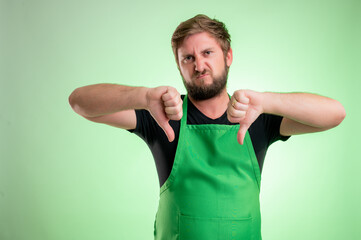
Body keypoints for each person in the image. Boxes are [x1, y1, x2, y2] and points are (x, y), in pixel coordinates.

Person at [68, 14, 346, 240]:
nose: (199, 65)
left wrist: (267, 100)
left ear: (228, 56)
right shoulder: (162, 116)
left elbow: (334, 114)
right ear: (179, 68)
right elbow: (80, 103)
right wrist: (142, 97)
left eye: (207, 52)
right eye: (187, 58)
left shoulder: (257, 116)